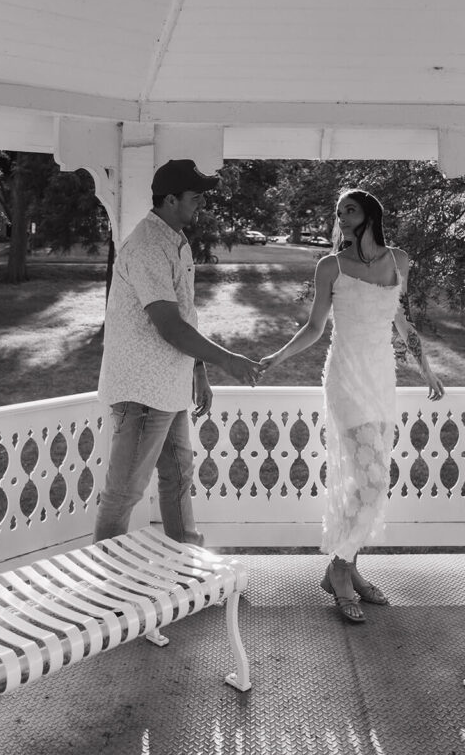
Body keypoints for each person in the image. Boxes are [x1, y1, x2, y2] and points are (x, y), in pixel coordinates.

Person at [259, 188, 444, 623]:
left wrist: (428, 370)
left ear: (370, 216)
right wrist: (276, 358)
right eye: (339, 210)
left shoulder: (399, 262)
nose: (342, 217)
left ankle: (349, 568)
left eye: (350, 210)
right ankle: (340, 571)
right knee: (372, 479)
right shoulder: (330, 267)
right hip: (344, 377)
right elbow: (314, 327)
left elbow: (402, 320)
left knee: (367, 479)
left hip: (381, 377)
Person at [94, 159, 260, 546]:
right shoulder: (149, 246)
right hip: (140, 393)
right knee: (123, 496)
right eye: (195, 197)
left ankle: (185, 567)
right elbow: (168, 325)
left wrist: (198, 371)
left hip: (169, 389)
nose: (201, 203)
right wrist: (228, 360)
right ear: (170, 199)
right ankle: (105, 593)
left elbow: (185, 313)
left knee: (179, 477)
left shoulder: (175, 240)